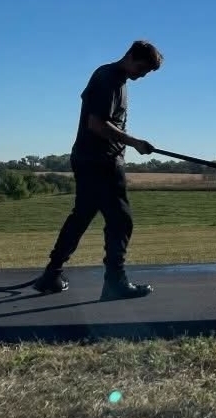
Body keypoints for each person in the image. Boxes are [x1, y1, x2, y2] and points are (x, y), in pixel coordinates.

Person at [33, 40, 163, 299]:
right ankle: (115, 282)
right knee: (120, 221)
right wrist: (135, 142)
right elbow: (97, 124)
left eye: (147, 72)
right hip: (100, 161)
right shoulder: (110, 79)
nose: (142, 75)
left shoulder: (113, 78)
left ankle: (51, 274)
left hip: (88, 158)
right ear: (129, 56)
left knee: (82, 216)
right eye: (142, 68)